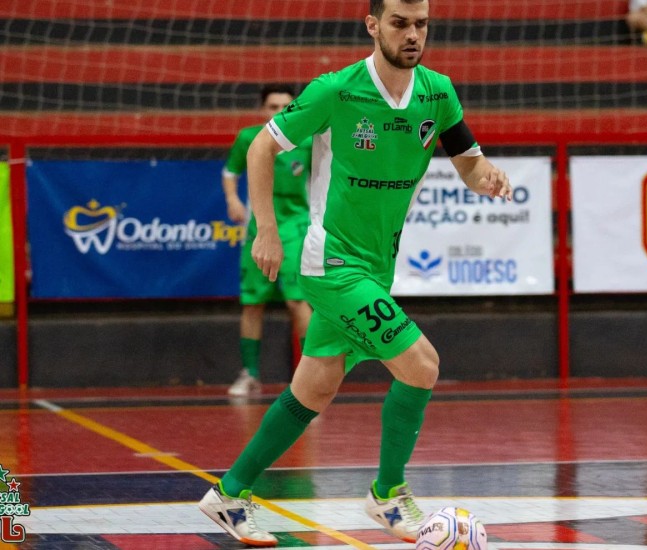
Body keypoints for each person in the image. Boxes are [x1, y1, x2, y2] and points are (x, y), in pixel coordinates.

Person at [198, 0, 512, 545]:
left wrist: (485, 176)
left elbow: (468, 159)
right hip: (331, 261)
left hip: (376, 264)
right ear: (373, 26)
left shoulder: (438, 92)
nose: (412, 34)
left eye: (421, 24)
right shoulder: (336, 90)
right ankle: (388, 496)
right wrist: (266, 230)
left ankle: (228, 494)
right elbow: (260, 149)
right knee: (422, 365)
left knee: (313, 390)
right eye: (400, 23)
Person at [222, 84, 313, 397]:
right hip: (259, 227)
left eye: (285, 106)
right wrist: (233, 199)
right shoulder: (250, 138)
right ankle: (250, 374)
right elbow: (230, 171)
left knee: (297, 301)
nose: (279, 112)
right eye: (272, 107)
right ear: (263, 110)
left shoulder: (308, 139)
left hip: (295, 227)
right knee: (252, 302)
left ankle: (308, 382)